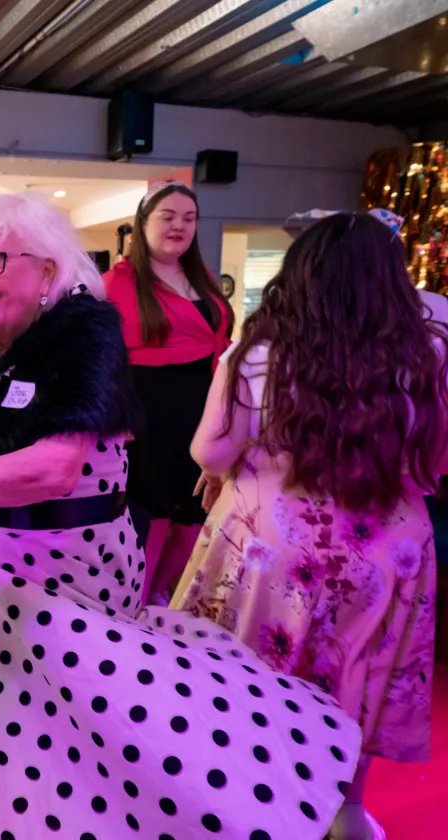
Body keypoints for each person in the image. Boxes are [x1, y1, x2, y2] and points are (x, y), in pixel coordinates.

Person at [0, 192, 360, 840]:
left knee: (78, 747)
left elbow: (52, 468)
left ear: (47, 272)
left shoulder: (83, 337)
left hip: (66, 582)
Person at [173, 211, 445, 840]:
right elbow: (438, 461)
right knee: (361, 675)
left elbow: (209, 453)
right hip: (388, 550)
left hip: (274, 545)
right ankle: (345, 810)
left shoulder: (261, 352)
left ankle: (254, 799)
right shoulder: (431, 353)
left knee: (256, 673)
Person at [104, 181, 232, 605]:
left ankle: (159, 602)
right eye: (168, 216)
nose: (180, 225)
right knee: (153, 521)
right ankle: (133, 612)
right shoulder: (115, 283)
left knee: (193, 521)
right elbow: (99, 360)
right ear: (142, 224)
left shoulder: (203, 276)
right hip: (148, 414)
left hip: (204, 407)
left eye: (189, 218)